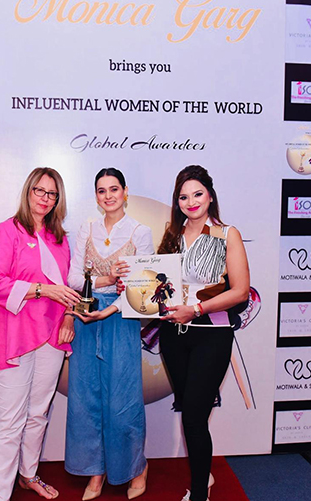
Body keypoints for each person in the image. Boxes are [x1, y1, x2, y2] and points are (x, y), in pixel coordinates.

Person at [0, 167, 80, 501]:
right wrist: (42, 290)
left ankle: (28, 474)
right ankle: (0, 495)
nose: (45, 198)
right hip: (13, 337)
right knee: (8, 421)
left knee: (38, 412)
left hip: (52, 335)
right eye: (40, 190)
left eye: (52, 193)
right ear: (28, 191)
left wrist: (69, 316)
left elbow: (69, 286)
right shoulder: (5, 232)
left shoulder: (60, 239)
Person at [157, 165, 250, 501]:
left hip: (211, 335)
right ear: (177, 201)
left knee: (195, 416)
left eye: (197, 194)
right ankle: (203, 475)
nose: (191, 201)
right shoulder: (172, 236)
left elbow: (240, 291)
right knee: (191, 414)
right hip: (173, 336)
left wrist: (196, 309)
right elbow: (160, 285)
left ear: (210, 195)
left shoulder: (226, 234)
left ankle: (199, 493)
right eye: (183, 196)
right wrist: (134, 289)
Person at [65, 168, 154, 500]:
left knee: (122, 399)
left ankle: (136, 468)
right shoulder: (85, 229)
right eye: (101, 191)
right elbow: (74, 279)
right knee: (85, 398)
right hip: (86, 317)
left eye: (114, 189)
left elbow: (143, 285)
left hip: (121, 318)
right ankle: (95, 470)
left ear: (125, 191)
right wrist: (106, 280)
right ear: (96, 196)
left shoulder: (140, 232)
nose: (108, 196)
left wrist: (110, 307)